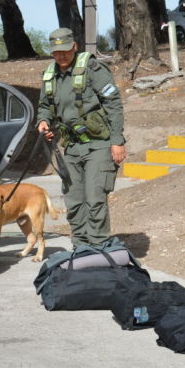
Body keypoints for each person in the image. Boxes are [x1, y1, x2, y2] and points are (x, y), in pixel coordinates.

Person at [35, 27, 126, 247]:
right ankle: (81, 247)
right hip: (72, 148)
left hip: (99, 145)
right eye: (57, 52)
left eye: (66, 50)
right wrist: (43, 121)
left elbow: (113, 104)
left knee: (95, 198)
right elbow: (45, 106)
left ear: (74, 47)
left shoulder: (93, 69)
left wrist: (117, 141)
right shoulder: (50, 75)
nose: (62, 56)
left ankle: (97, 248)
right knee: (74, 201)